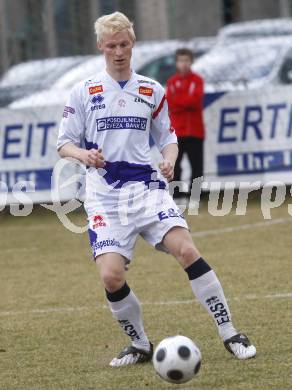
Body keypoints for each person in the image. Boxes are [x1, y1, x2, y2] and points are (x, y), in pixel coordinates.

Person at [57, 11, 256, 367]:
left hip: (148, 190)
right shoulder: (84, 91)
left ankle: (231, 333)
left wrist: (168, 160)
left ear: (132, 44)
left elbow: (168, 139)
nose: (118, 52)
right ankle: (140, 344)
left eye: (124, 44)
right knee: (110, 274)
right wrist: (83, 154)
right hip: (104, 197)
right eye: (111, 46)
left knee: (187, 251)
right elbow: (63, 144)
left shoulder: (152, 90)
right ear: (101, 47)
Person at [166, 48, 205, 198]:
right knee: (175, 165)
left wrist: (180, 103)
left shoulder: (197, 80)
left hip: (195, 130)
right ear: (176, 63)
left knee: (197, 166)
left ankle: (196, 196)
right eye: (181, 61)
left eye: (186, 61)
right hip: (177, 131)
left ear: (191, 62)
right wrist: (183, 103)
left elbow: (195, 100)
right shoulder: (172, 82)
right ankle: (176, 195)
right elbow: (171, 103)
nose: (183, 64)